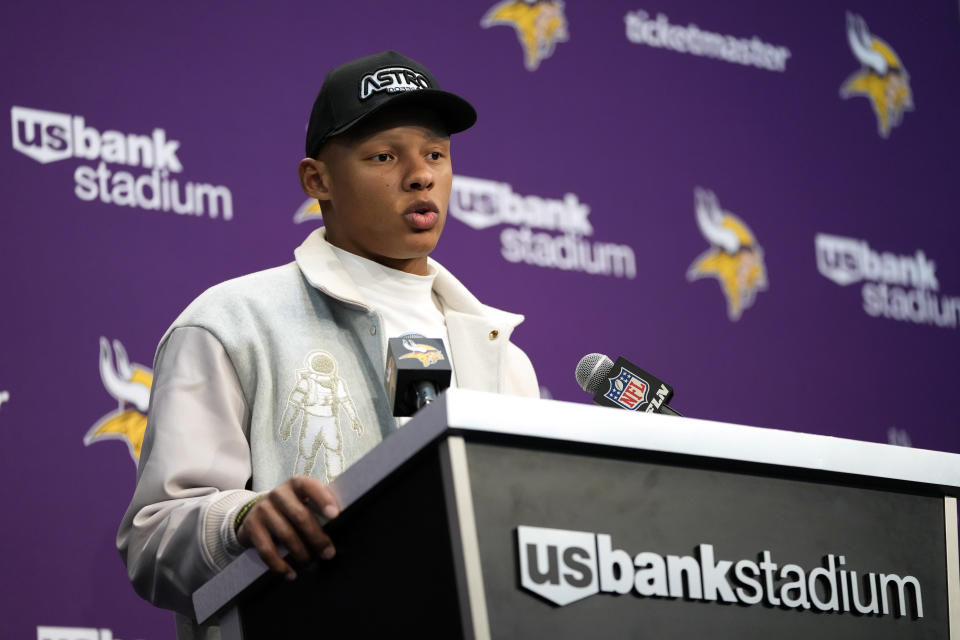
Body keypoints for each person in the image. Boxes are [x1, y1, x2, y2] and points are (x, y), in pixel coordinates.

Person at [117, 50, 539, 638]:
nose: (420, 176)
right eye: (384, 156)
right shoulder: (233, 321)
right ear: (317, 180)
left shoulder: (501, 356)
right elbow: (153, 537)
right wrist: (241, 520)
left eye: (435, 155)